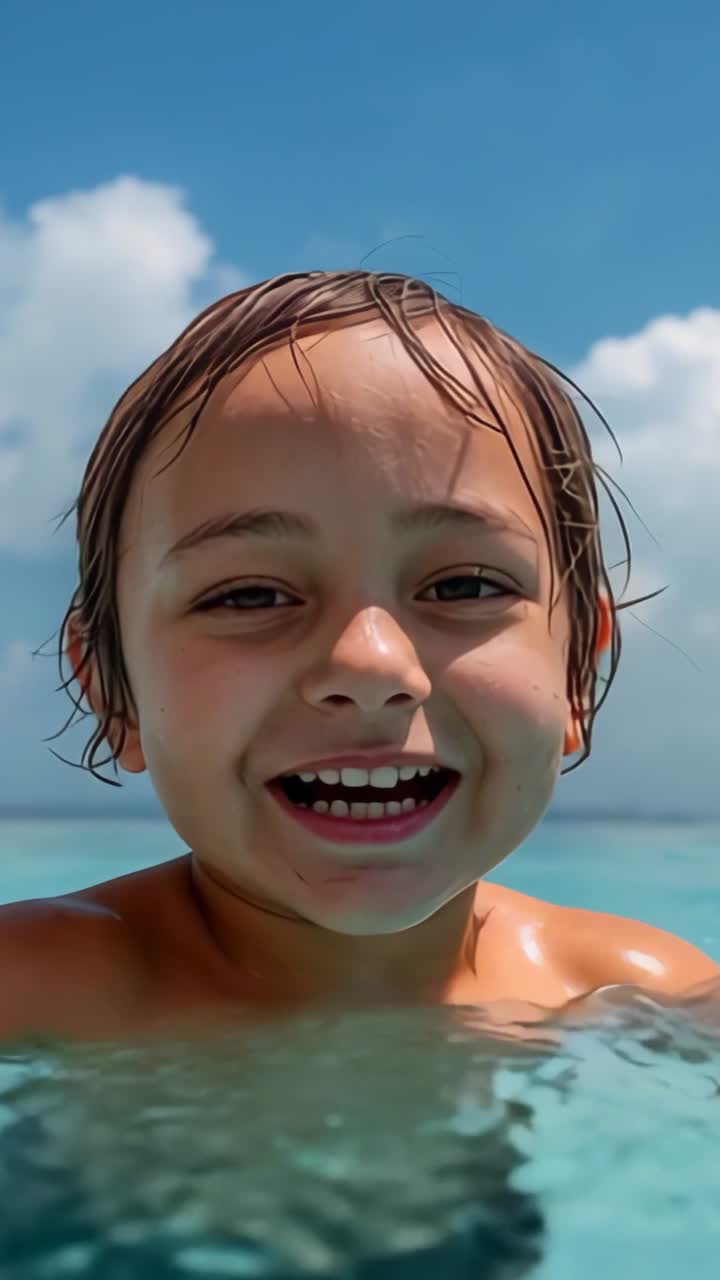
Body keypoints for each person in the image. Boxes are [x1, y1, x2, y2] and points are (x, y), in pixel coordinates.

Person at [2, 271, 717, 1042]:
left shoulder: (647, 1002)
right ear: (114, 691)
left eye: (465, 584)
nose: (371, 664)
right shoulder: (32, 986)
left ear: (578, 674)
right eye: (249, 596)